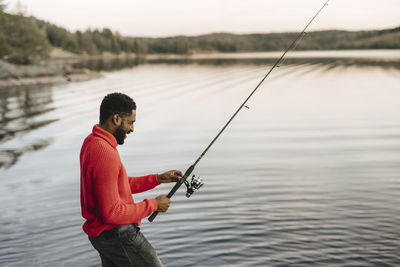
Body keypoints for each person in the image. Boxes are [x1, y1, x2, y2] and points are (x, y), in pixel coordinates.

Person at [80, 92, 182, 267]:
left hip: (103, 237)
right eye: (131, 122)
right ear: (117, 119)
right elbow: (112, 212)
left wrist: (158, 179)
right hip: (118, 235)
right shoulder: (104, 152)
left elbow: (119, 185)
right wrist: (154, 205)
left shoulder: (92, 142)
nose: (133, 129)